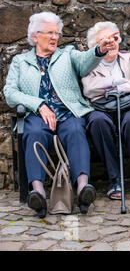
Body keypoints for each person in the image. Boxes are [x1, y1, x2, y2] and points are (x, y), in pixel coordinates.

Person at [3, 12, 115, 218]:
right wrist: (39, 105)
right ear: (35, 37)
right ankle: (37, 192)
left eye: (57, 33)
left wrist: (99, 50)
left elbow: (84, 63)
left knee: (75, 130)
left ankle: (83, 189)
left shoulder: (67, 54)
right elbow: (10, 93)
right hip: (36, 115)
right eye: (49, 33)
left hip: (68, 112)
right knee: (33, 133)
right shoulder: (21, 61)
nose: (55, 37)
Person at [82, 21, 130, 200]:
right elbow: (89, 90)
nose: (111, 43)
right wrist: (120, 82)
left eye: (114, 38)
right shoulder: (88, 63)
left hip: (129, 105)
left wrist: (109, 88)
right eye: (104, 40)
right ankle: (114, 179)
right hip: (100, 108)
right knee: (97, 122)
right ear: (94, 45)